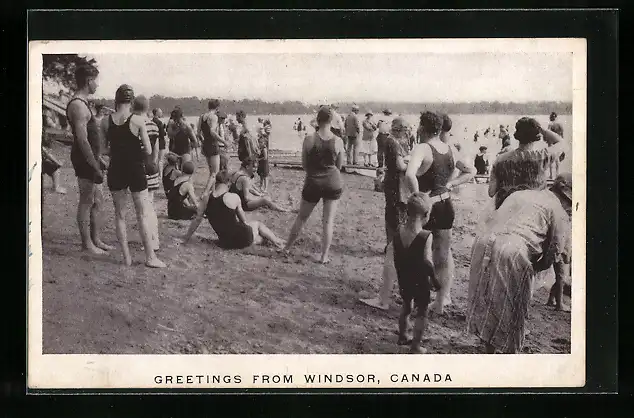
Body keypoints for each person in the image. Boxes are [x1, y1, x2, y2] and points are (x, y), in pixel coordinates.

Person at [466, 186, 571, 354]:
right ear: (566, 200)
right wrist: (539, 266)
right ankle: (509, 353)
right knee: (514, 306)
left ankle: (488, 347)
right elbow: (556, 247)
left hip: (483, 243)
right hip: (512, 248)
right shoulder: (558, 210)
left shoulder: (522, 193)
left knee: (488, 297)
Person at [404, 111, 475, 314]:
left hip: (427, 205)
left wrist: (417, 197)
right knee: (443, 254)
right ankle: (441, 302)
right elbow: (471, 171)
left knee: (415, 252)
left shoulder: (422, 148)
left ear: (422, 127)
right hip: (445, 204)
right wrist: (451, 184)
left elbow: (409, 175)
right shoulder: (450, 148)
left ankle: (417, 297)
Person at [101, 84, 165, 268]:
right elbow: (149, 149)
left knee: (120, 215)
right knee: (142, 214)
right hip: (135, 169)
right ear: (131, 101)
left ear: (116, 100)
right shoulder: (137, 120)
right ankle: (150, 257)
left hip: (116, 169)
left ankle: (126, 258)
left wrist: (118, 151)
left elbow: (103, 149)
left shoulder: (105, 121)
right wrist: (133, 151)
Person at [360, 117, 413, 310]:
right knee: (394, 218)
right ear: (400, 129)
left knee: (394, 218)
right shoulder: (393, 141)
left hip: (396, 186)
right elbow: (399, 166)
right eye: (405, 129)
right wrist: (411, 164)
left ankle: (392, 246)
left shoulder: (398, 141)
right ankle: (392, 246)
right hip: (395, 186)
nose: (407, 132)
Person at [283, 106, 345, 264]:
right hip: (332, 182)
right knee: (328, 221)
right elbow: (339, 166)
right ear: (331, 121)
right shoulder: (338, 141)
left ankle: (287, 248)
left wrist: (315, 172)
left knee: (302, 217)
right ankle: (324, 256)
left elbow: (304, 165)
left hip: (313, 182)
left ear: (317, 120)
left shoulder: (309, 139)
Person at [65, 65, 113, 255]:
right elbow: (82, 140)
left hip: (91, 158)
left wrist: (99, 158)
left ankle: (96, 239)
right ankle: (87, 244)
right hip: (84, 159)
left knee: (97, 200)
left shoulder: (84, 103)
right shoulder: (78, 105)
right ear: (88, 80)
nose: (97, 85)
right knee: (86, 201)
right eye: (96, 81)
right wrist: (94, 164)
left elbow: (91, 139)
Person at [182, 170, 286, 249]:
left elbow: (197, 220)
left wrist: (186, 238)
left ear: (216, 182)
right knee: (257, 225)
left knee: (258, 238)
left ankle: (270, 240)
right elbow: (244, 222)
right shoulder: (233, 197)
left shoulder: (206, 198)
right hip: (240, 237)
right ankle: (277, 242)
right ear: (228, 183)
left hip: (225, 241)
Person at [394, 193, 440, 353]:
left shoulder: (399, 230)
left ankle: (402, 336)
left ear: (408, 211)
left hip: (403, 276)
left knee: (406, 306)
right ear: (426, 214)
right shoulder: (426, 236)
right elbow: (427, 262)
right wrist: (434, 278)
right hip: (420, 280)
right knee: (422, 312)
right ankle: (416, 346)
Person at [488, 117, 565, 210]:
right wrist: (541, 129)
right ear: (537, 136)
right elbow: (561, 142)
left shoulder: (500, 160)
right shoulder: (542, 156)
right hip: (534, 210)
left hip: (507, 210)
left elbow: (491, 192)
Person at [546, 172, 573, 312]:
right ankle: (559, 303)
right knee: (562, 273)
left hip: (558, 237)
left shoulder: (552, 198)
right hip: (561, 239)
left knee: (560, 272)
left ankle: (552, 299)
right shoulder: (563, 206)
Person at [198, 99, 225, 192]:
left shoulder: (202, 117)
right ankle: (206, 192)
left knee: (211, 172)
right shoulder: (214, 117)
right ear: (217, 108)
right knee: (215, 173)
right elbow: (212, 132)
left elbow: (198, 133)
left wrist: (203, 142)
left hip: (205, 145)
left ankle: (212, 192)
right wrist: (223, 141)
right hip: (213, 145)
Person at [41, 110, 67, 194]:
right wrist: (56, 162)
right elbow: (45, 152)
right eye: (47, 119)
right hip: (37, 159)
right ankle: (57, 187)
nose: (49, 120)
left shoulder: (41, 130)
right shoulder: (40, 132)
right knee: (55, 169)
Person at [151, 108, 167, 174]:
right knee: (160, 160)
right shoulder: (159, 122)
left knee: (154, 159)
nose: (161, 114)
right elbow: (163, 134)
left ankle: (154, 172)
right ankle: (160, 174)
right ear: (157, 113)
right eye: (160, 112)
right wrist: (164, 129)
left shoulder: (151, 121)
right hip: (160, 142)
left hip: (153, 142)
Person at [258, 120, 272, 192]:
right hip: (261, 160)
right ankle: (261, 187)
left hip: (263, 161)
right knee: (261, 175)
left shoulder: (265, 138)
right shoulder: (263, 137)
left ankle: (265, 188)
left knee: (265, 175)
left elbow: (265, 157)